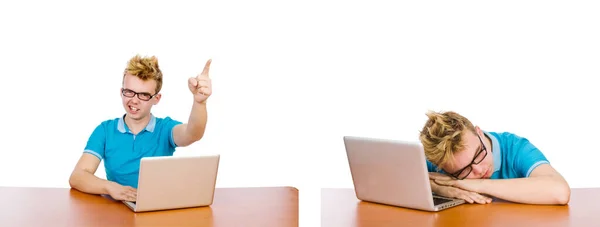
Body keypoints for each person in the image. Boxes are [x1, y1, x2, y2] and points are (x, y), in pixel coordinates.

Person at [68, 55, 213, 202]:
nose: (134, 100)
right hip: (118, 210)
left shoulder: (165, 128)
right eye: (129, 92)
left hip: (157, 207)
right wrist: (110, 187)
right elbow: (78, 176)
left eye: (143, 95)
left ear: (156, 99)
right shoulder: (105, 130)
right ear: (121, 91)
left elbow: (193, 133)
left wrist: (200, 103)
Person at [419, 110, 570, 205]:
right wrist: (438, 188)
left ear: (479, 132)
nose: (478, 170)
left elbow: (559, 191)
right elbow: (398, 180)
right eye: (463, 171)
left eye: (479, 153)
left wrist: (479, 184)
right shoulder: (441, 158)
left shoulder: (516, 148)